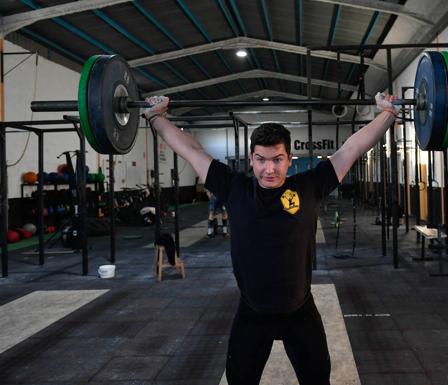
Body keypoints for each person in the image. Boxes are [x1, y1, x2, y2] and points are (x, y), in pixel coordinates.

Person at [143, 93, 399, 385]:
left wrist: (388, 114)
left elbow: (351, 149)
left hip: (299, 310)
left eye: (278, 159)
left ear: (289, 159)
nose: (269, 169)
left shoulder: (310, 186)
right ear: (251, 158)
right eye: (261, 160)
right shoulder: (234, 188)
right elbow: (191, 150)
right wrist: (155, 118)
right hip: (252, 312)